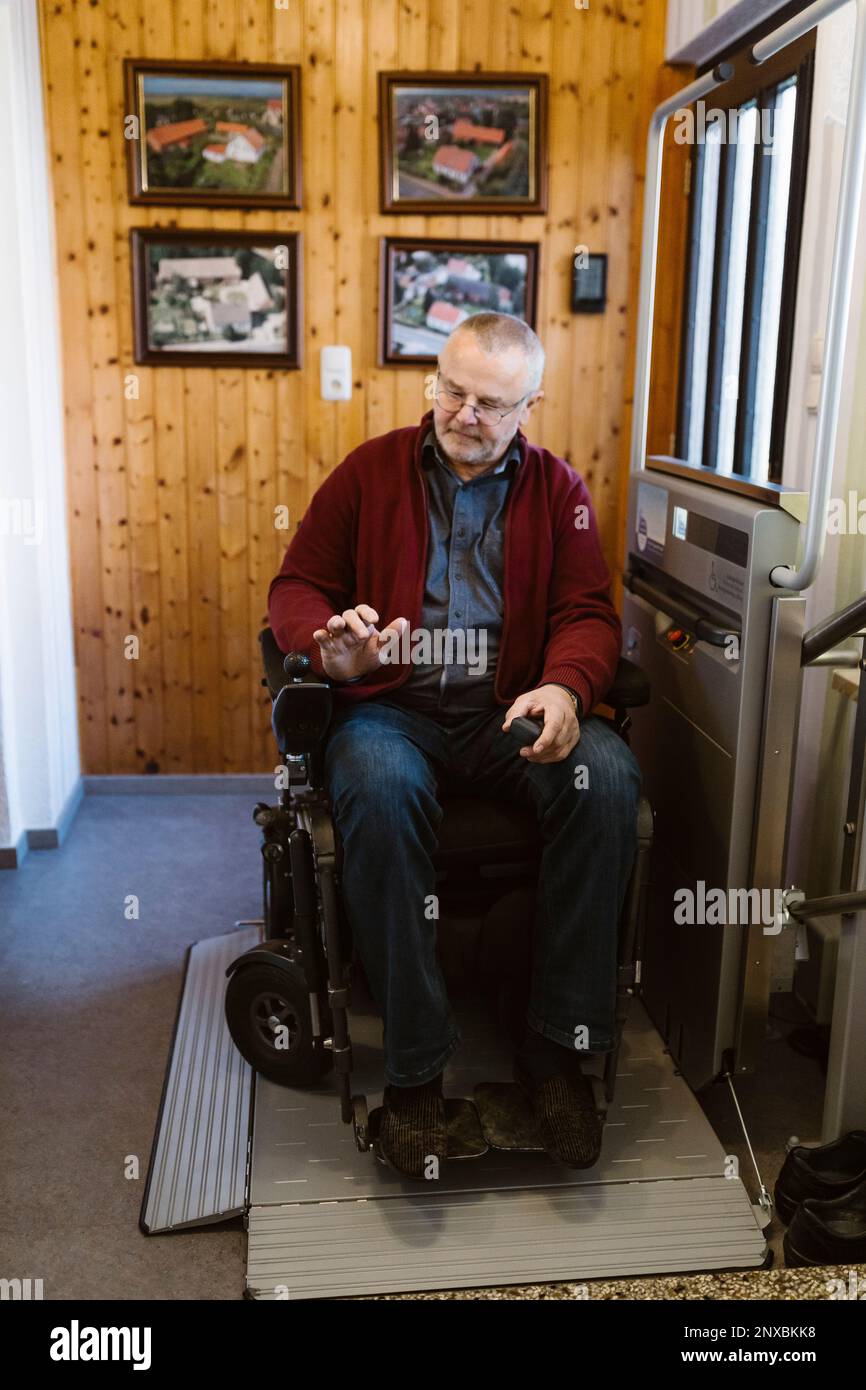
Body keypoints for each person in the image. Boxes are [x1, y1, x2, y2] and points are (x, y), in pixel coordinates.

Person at [268, 312, 641, 1179]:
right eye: (453, 391)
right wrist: (330, 640)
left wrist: (566, 687)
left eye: (491, 403)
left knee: (609, 778)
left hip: (506, 708)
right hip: (392, 709)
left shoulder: (560, 492)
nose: (464, 414)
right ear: (435, 382)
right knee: (375, 782)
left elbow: (587, 614)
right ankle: (415, 1072)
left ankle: (557, 1055)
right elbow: (298, 584)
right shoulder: (371, 471)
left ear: (530, 406)